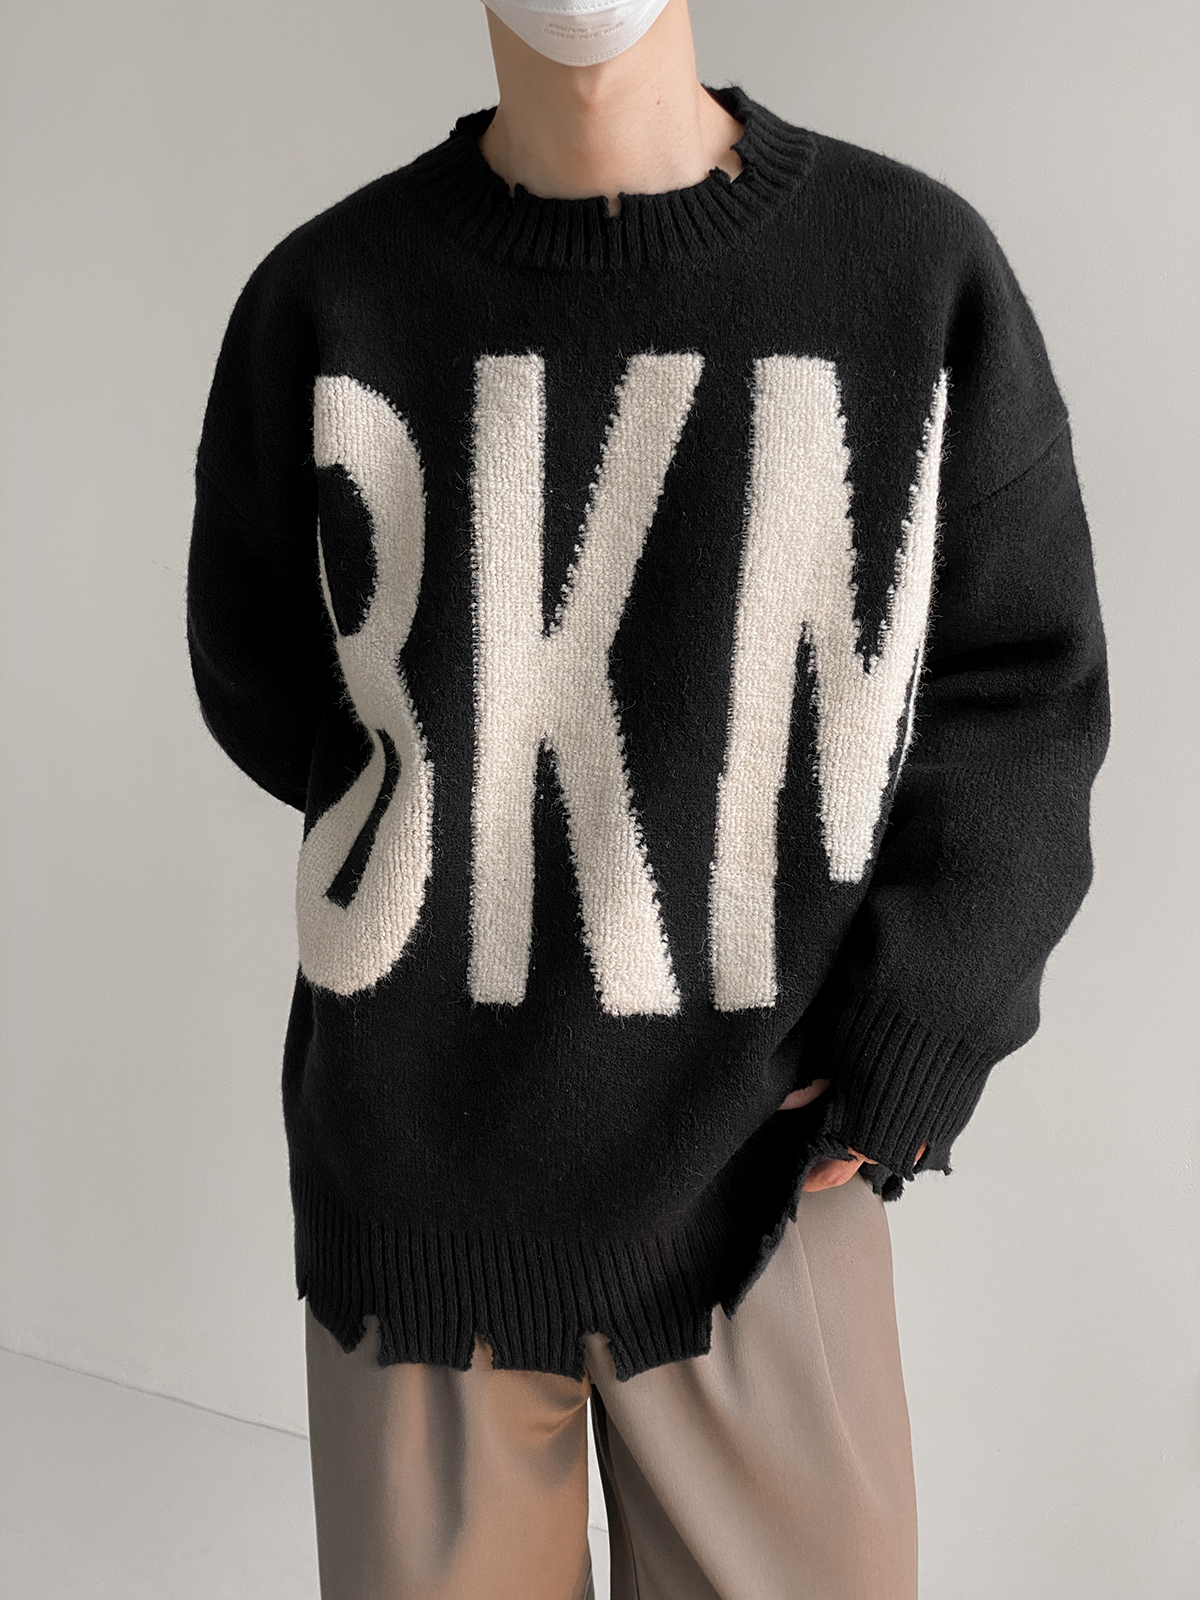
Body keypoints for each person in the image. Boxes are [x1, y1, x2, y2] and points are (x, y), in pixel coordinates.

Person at [185, 1, 1110, 1594]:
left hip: (773, 1178)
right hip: (419, 1201)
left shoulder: (913, 274)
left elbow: (1022, 685)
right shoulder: (330, 300)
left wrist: (919, 1030)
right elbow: (270, 679)